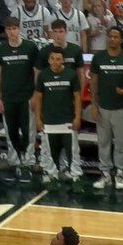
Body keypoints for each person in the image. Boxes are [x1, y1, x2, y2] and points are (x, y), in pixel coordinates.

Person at [90, 25, 123, 192]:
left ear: (121, 39)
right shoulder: (99, 58)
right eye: (110, 36)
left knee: (120, 142)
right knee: (103, 142)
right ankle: (105, 174)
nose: (112, 39)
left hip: (121, 107)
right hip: (103, 107)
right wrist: (94, 105)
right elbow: (94, 82)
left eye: (116, 37)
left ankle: (120, 173)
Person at [0, 16, 39, 183]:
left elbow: (37, 72)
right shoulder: (1, 50)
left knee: (29, 131)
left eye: (14, 28)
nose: (12, 32)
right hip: (8, 97)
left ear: (19, 29)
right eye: (9, 29)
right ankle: (14, 162)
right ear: (5, 31)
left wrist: (35, 94)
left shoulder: (30, 47)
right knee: (10, 131)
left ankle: (28, 162)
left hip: (26, 96)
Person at [35, 46, 84, 186]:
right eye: (52, 59)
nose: (55, 61)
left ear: (63, 60)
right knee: (50, 152)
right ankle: (52, 176)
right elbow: (38, 98)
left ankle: (76, 178)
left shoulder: (71, 74)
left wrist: (77, 117)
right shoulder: (43, 75)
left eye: (58, 59)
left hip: (67, 120)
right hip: (49, 121)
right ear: (48, 60)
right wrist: (38, 119)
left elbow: (77, 97)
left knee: (73, 152)